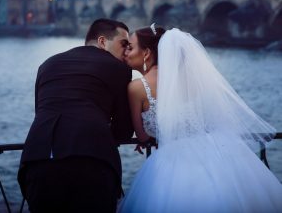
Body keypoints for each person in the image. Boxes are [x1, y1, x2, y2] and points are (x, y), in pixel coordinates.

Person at [118, 25, 282, 213]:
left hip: (174, 160)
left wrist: (147, 139)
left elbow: (142, 135)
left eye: (130, 47)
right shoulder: (194, 81)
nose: (126, 52)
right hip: (218, 150)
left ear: (146, 53)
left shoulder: (137, 88)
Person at [18, 18, 134, 213]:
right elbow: (123, 130)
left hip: (37, 159)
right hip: (90, 162)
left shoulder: (47, 64)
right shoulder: (119, 68)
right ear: (103, 42)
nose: (126, 52)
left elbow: (41, 110)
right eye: (124, 44)